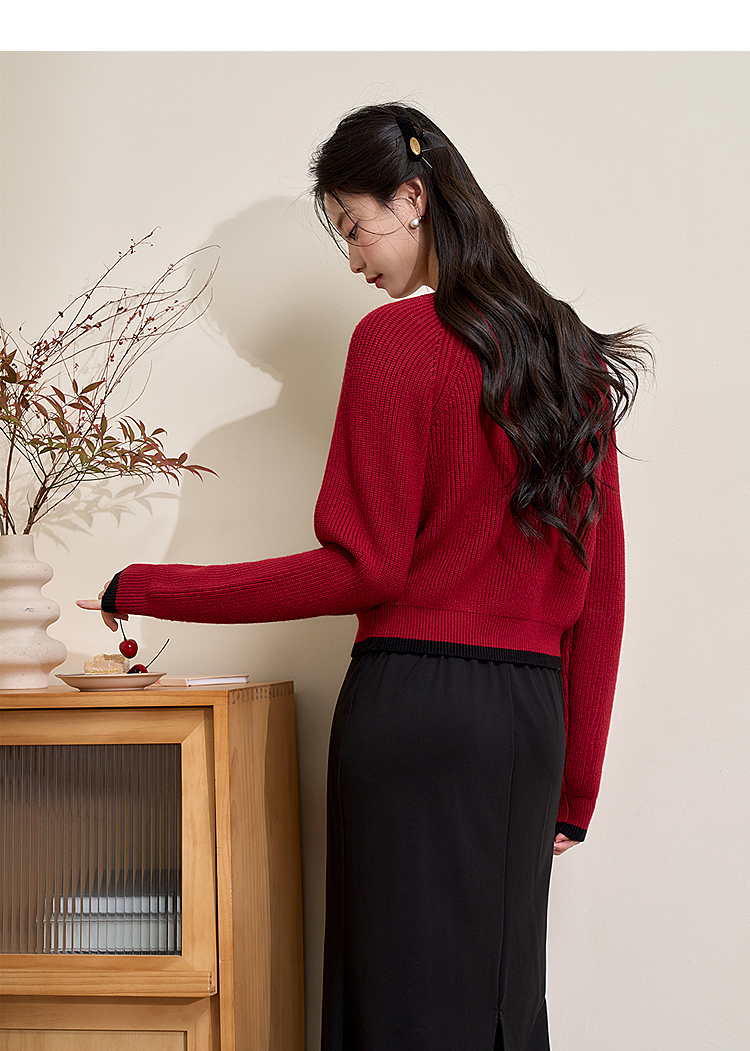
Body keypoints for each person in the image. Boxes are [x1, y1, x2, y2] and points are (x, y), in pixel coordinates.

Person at [79, 103, 649, 1051]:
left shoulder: (393, 342)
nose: (352, 259)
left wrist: (148, 585)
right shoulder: (572, 357)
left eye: (353, 225)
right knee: (501, 1006)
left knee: (395, 1004)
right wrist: (575, 784)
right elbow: (602, 594)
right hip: (527, 725)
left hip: (412, 705)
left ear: (413, 197)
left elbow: (364, 566)